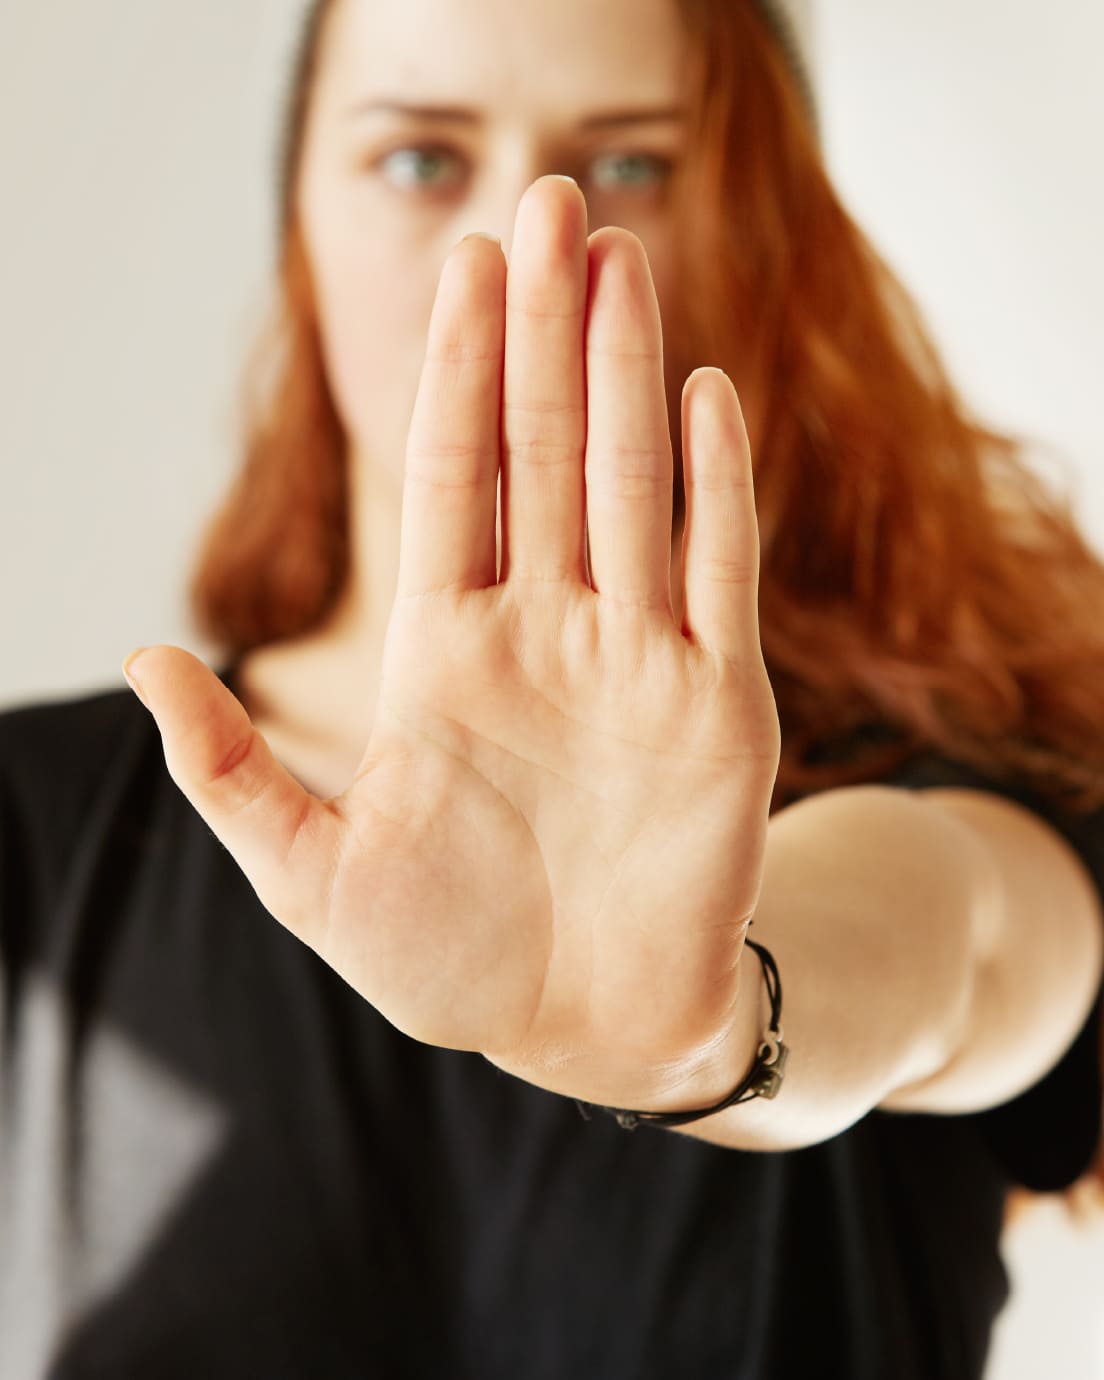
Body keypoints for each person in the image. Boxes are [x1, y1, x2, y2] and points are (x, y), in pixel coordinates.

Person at [2, 0, 1103, 1375]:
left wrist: (718, 1026)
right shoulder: (30, 826)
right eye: (420, 159)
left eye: (633, 163)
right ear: (300, 224)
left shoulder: (969, 781)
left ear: (768, 232)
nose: (530, 239)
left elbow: (966, 936)